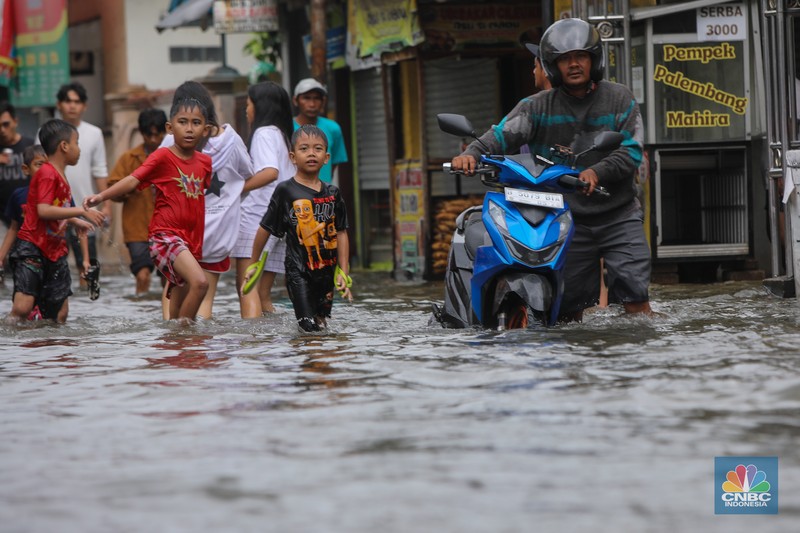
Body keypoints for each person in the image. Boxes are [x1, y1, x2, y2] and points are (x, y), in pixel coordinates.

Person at [451, 18, 652, 321]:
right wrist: (473, 152)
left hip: (618, 214)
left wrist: (596, 172)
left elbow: (631, 150)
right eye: (565, 59)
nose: (574, 65)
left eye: (581, 57)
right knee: (568, 310)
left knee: (635, 297)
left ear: (593, 60)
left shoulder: (619, 98)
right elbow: (502, 134)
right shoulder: (536, 107)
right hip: (565, 219)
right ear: (551, 66)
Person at [83, 97, 212, 324]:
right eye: (183, 122)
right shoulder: (162, 156)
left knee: (178, 296)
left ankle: (177, 345)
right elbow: (132, 180)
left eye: (196, 123)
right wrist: (101, 196)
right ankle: (188, 332)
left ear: (206, 130)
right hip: (165, 236)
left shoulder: (205, 162)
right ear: (170, 128)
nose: (189, 129)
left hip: (192, 240)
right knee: (200, 283)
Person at [242, 124, 352, 332]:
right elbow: (265, 228)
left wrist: (343, 271)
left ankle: (319, 361)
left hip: (326, 272)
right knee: (307, 326)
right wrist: (253, 264)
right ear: (292, 157)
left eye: (317, 149)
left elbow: (341, 232)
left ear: (326, 158)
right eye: (304, 149)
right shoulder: (285, 191)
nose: (311, 153)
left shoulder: (333, 193)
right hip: (297, 271)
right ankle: (308, 361)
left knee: (321, 324)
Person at [160, 81, 254, 319]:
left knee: (173, 291)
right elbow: (248, 174)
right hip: (217, 233)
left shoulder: (171, 141)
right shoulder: (231, 141)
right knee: (205, 298)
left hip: (180, 231)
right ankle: (201, 349)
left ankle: (177, 344)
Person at [5, 120, 104, 324]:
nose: (79, 150)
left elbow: (59, 211)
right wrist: (83, 212)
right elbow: (44, 210)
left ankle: (51, 352)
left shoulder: (61, 177)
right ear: (64, 146)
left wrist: (75, 221)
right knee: (22, 308)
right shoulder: (47, 173)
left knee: (59, 314)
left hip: (55, 251)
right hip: (32, 248)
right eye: (77, 143)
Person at [233, 81, 295, 317]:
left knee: (246, 289)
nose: (246, 109)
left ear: (260, 106)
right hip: (281, 222)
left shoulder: (263, 133)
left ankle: (254, 345)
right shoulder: (282, 135)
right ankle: (272, 347)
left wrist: (236, 189)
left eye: (248, 104)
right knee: (263, 294)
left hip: (257, 220)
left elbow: (270, 172)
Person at [49, 82, 110, 285]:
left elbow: (100, 170)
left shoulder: (94, 133)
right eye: (68, 101)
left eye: (77, 102)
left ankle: (87, 310)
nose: (72, 106)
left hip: (85, 208)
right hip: (55, 210)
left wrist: (106, 204)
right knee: (55, 269)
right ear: (59, 104)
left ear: (84, 106)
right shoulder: (47, 133)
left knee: (88, 270)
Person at [108, 108, 167, 296]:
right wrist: (131, 186)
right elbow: (113, 187)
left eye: (157, 134)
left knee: (170, 279)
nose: (153, 139)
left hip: (168, 228)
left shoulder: (173, 156)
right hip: (137, 229)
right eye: (149, 134)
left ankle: (167, 317)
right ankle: (142, 310)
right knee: (142, 276)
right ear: (142, 133)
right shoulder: (129, 159)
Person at [0, 145, 47, 281]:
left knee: (55, 298)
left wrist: (85, 260)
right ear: (26, 169)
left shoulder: (59, 193)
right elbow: (14, 228)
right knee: (23, 298)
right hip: (25, 255)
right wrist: (1, 257)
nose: (44, 170)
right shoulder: (19, 195)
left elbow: (73, 222)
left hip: (52, 256)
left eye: (48, 166)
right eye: (39, 165)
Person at [292, 78, 348, 185]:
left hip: (323, 194)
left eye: (317, 98)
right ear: (295, 100)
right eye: (306, 98)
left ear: (323, 101)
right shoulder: (286, 128)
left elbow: (334, 162)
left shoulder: (333, 128)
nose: (312, 104)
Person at [0, 101, 35, 230]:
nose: (2, 130)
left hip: (29, 216)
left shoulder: (30, 146)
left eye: (6, 124)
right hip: (2, 218)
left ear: (15, 121)